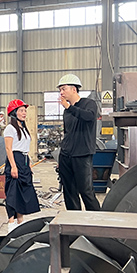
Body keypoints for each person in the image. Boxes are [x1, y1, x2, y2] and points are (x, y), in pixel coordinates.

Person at [57, 74, 101, 211]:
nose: (61, 93)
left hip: (82, 155)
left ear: (74, 89)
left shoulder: (89, 104)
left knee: (86, 190)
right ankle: (74, 219)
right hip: (66, 155)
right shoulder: (67, 111)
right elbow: (67, 133)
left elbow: (89, 117)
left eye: (63, 89)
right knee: (69, 191)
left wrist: (69, 107)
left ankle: (97, 219)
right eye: (60, 90)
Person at [3, 100, 40, 231]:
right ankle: (11, 222)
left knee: (23, 191)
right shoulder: (10, 128)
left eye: (25, 111)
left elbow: (25, 148)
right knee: (13, 192)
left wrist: (28, 163)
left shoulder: (23, 128)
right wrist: (13, 166)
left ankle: (20, 220)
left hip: (24, 160)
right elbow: (9, 149)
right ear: (14, 112)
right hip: (15, 159)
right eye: (21, 110)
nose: (24, 113)